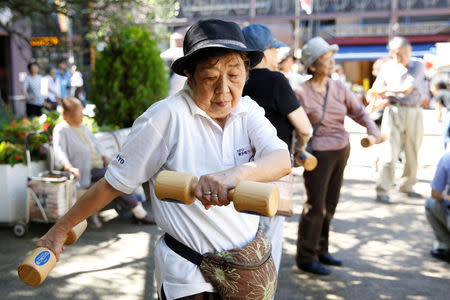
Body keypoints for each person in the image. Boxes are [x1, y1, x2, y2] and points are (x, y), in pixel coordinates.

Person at [37, 19, 291, 299]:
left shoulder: (248, 110)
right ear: (189, 75)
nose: (223, 90)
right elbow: (113, 184)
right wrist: (59, 231)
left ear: (245, 72)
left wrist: (235, 175)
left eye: (234, 76)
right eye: (210, 78)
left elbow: (281, 159)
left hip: (244, 268)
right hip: (191, 276)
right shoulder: (165, 117)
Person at [294, 37, 381, 275]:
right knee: (315, 206)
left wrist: (373, 130)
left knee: (330, 203)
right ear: (312, 65)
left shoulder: (340, 87)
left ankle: (321, 250)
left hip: (341, 148)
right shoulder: (300, 92)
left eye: (332, 57)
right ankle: (306, 256)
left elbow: (359, 112)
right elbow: (293, 126)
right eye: (326, 58)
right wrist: (297, 151)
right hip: (317, 153)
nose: (332, 62)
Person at [242, 23, 312, 272]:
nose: (277, 56)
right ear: (265, 51)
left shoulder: (237, 79)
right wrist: (301, 148)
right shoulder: (276, 80)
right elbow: (304, 127)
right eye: (275, 50)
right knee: (270, 236)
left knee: (242, 235)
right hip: (272, 169)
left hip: (237, 169)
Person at [53, 97, 156, 227]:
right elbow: (59, 151)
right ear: (67, 114)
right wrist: (68, 166)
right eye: (79, 112)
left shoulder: (82, 126)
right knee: (115, 177)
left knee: (120, 174)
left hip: (98, 168)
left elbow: (96, 144)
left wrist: (104, 156)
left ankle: (136, 210)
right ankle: (139, 212)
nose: (82, 114)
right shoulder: (62, 129)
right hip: (84, 171)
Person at [369, 36, 426, 203]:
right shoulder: (387, 67)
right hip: (393, 110)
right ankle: (383, 188)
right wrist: (373, 97)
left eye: (404, 53)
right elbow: (375, 89)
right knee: (388, 151)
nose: (401, 57)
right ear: (391, 53)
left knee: (412, 150)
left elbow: (407, 88)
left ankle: (407, 185)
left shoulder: (418, 64)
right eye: (397, 54)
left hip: (414, 111)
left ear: (410, 51)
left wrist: (383, 91)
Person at [425, 151, 450, 263]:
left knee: (430, 203)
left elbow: (435, 194)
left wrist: (447, 197)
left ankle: (446, 246)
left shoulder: (447, 158)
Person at [429, 76, 450, 148]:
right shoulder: (447, 92)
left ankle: (445, 150)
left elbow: (439, 110)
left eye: (431, 87)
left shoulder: (438, 94)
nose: (430, 89)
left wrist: (438, 120)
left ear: (436, 87)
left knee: (445, 133)